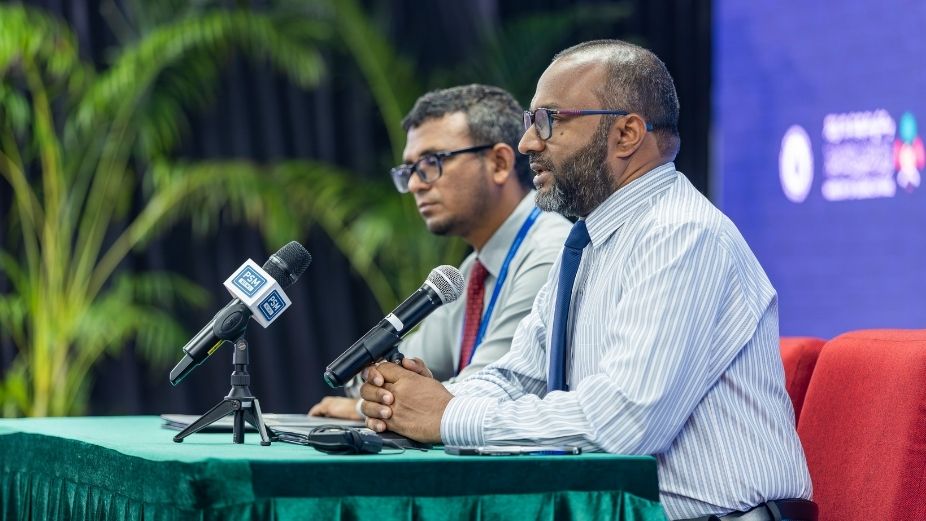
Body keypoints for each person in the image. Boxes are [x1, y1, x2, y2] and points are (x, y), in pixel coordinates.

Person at [358, 41, 815, 521]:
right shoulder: (588, 245)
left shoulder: (681, 234)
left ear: (626, 134)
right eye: (530, 122)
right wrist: (422, 401)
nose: (528, 143)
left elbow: (624, 423)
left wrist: (448, 416)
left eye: (548, 121)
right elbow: (518, 377)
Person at [308, 84, 571, 420]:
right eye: (409, 170)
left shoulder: (549, 252)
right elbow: (402, 362)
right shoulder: (473, 271)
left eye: (431, 162)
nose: (415, 184)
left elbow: (492, 390)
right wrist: (373, 384)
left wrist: (365, 407)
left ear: (499, 163)